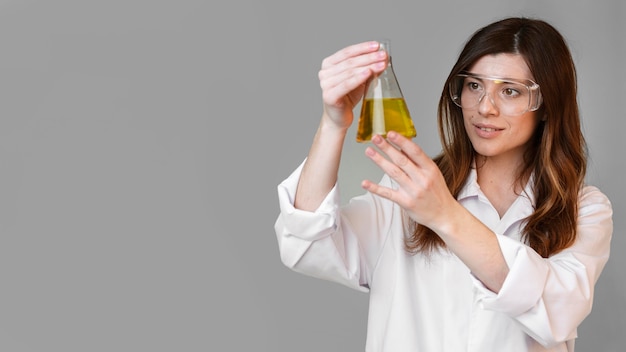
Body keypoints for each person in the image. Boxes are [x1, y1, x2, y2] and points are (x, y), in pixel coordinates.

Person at [273, 17, 613, 352]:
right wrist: (334, 124)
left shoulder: (584, 209)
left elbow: (559, 311)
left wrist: (445, 214)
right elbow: (306, 244)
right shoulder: (406, 188)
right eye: (474, 85)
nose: (485, 107)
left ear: (547, 105)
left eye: (510, 91)